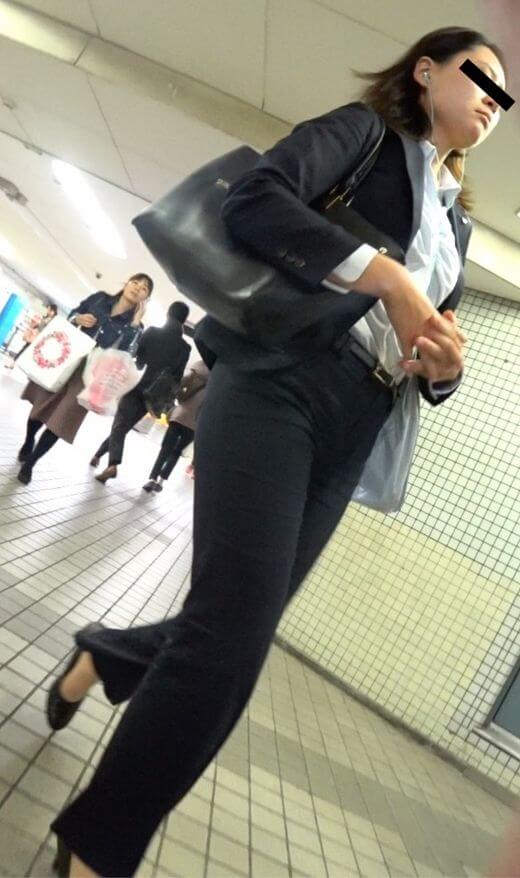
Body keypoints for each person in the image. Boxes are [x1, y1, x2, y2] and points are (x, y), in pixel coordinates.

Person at [44, 27, 506, 878]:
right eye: (484, 76)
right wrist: (390, 277)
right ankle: (97, 845)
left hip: (361, 416)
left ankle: (110, 653)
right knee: (229, 643)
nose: (495, 101)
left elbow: (428, 336)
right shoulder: (367, 136)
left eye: (506, 98)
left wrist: (445, 368)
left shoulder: (457, 221)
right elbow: (254, 199)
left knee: (236, 628)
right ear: (426, 69)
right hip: (280, 382)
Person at [16, 276, 152, 485]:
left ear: (145, 299)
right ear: (126, 283)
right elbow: (72, 314)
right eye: (136, 282)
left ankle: (31, 463)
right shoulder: (100, 299)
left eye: (144, 288)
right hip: (67, 358)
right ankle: (28, 440)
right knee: (40, 406)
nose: (138, 288)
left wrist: (134, 323)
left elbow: (126, 356)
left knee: (62, 419)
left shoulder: (136, 326)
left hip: (91, 375)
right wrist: (77, 319)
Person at [90, 301, 191, 484]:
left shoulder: (152, 332)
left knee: (119, 425)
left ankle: (112, 465)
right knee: (123, 426)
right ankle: (98, 454)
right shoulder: (185, 348)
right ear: (184, 321)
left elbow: (135, 354)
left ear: (168, 314)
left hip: (136, 384)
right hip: (154, 396)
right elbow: (177, 377)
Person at [142, 359, 210, 492]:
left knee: (165, 449)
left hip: (180, 416)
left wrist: (180, 395)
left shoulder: (196, 372)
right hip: (195, 423)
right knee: (177, 451)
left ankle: (152, 478)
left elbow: (179, 384)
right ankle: (161, 481)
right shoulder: (218, 383)